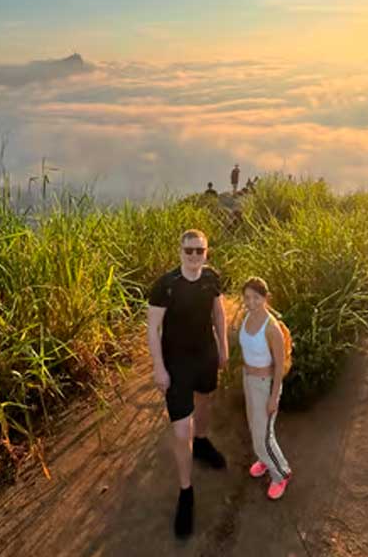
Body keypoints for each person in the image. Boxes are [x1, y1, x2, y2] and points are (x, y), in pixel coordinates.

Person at [147, 229, 229, 538]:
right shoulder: (166, 286)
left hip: (205, 355)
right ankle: (186, 491)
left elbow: (218, 313)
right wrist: (159, 368)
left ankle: (204, 442)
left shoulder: (211, 278)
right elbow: (152, 328)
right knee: (182, 430)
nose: (194, 256)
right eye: (189, 250)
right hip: (176, 364)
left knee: (205, 400)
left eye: (200, 250)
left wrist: (223, 347)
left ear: (207, 252)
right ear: (180, 252)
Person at [238, 277, 292, 500]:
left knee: (265, 433)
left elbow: (279, 366)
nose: (251, 302)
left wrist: (273, 398)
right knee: (254, 426)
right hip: (248, 379)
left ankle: (280, 473)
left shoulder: (272, 329)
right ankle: (263, 458)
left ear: (266, 298)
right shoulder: (247, 317)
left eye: (256, 298)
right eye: (247, 298)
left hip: (265, 385)